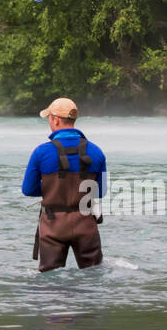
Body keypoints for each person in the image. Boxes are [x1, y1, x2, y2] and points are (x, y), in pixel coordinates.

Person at [22, 97, 106, 271]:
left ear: (56, 119)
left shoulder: (41, 152)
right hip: (86, 224)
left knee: (50, 282)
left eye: (49, 119)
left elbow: (28, 189)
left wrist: (50, 190)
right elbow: (100, 192)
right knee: (93, 277)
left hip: (53, 225)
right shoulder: (96, 151)